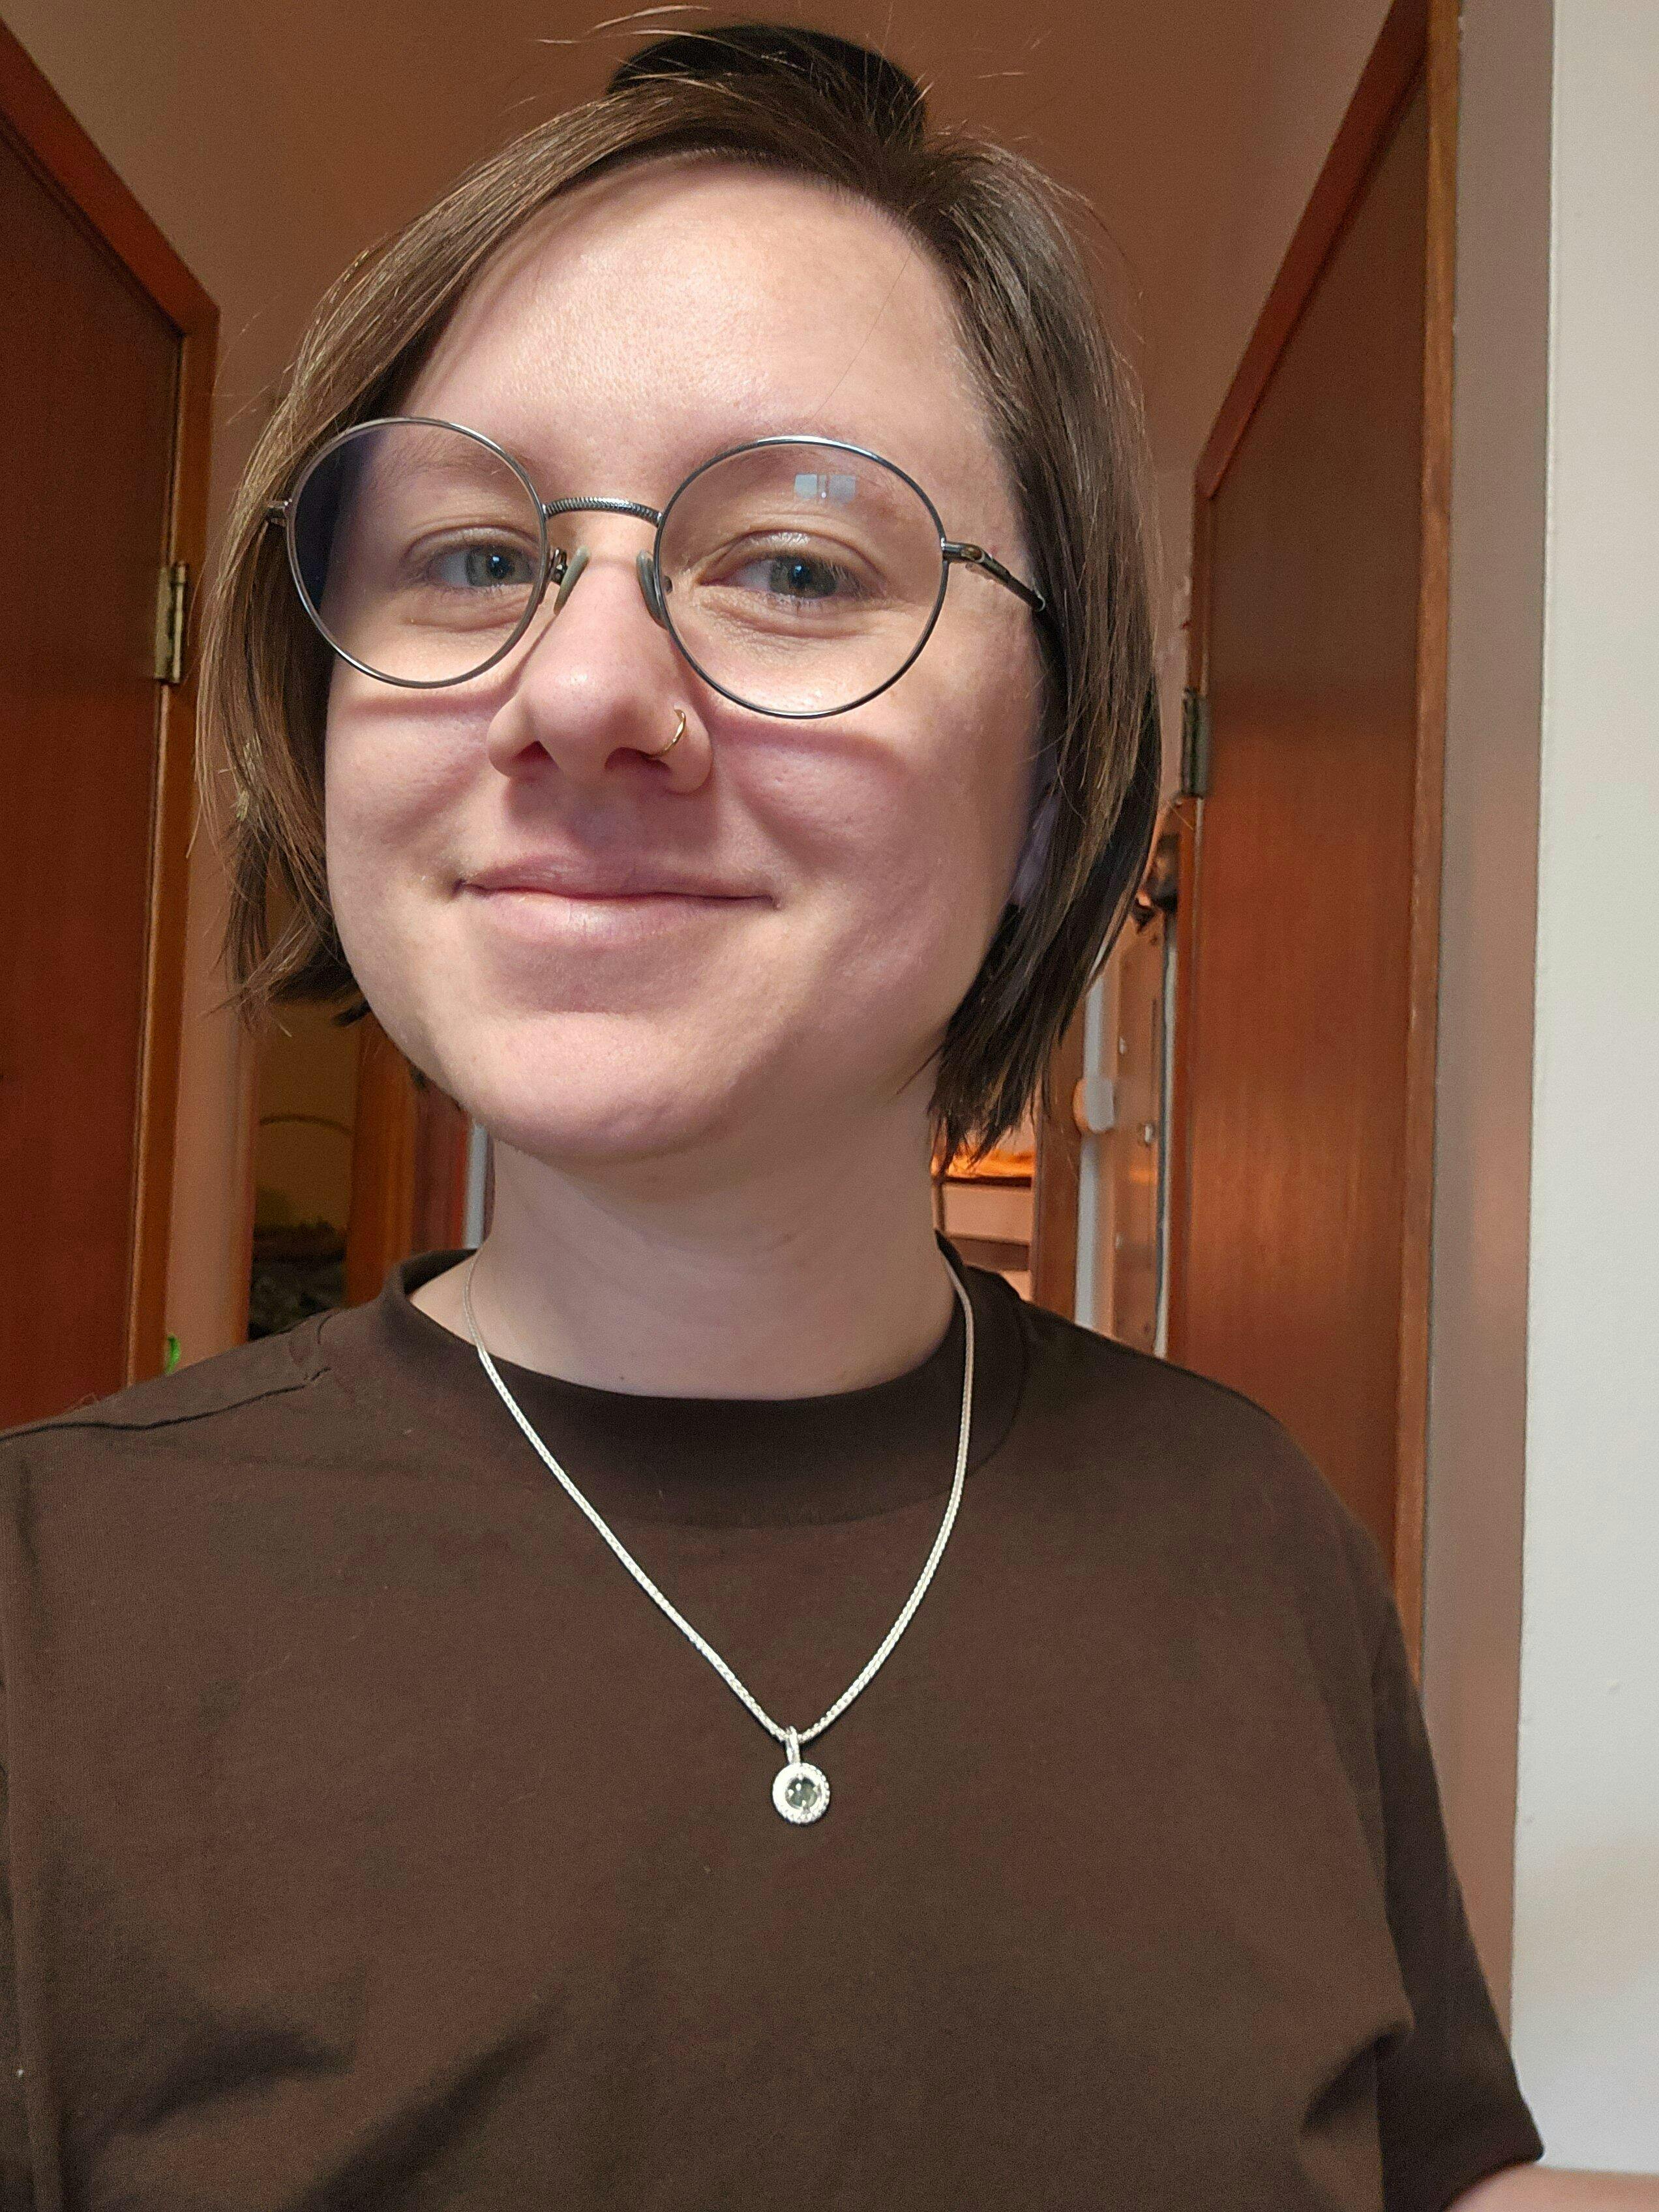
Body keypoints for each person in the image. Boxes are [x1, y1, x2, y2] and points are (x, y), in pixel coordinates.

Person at [0, 24, 1547, 2209]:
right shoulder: (49, 1616)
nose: (580, 691)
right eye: (472, 558)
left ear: (1053, 775)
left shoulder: (1256, 1540)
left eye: (800, 567)